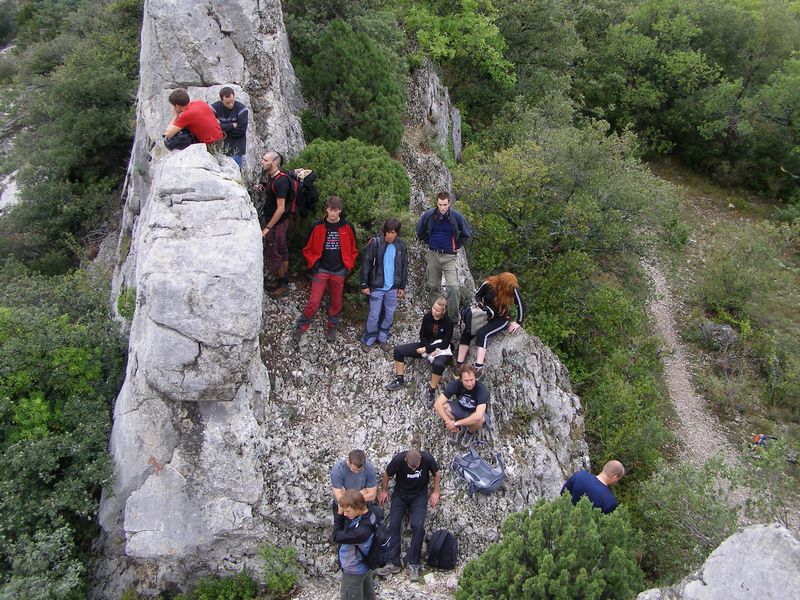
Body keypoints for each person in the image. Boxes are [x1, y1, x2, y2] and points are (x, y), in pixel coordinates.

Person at [293, 196, 358, 343]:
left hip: (339, 271)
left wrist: (348, 265)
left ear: (340, 211)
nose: (333, 213)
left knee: (336, 301)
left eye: (336, 210)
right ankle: (301, 327)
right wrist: (315, 265)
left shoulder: (347, 227)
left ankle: (332, 327)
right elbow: (307, 248)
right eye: (330, 210)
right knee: (313, 301)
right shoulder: (317, 226)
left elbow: (353, 249)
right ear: (326, 209)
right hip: (321, 270)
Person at [375, 449, 440, 581]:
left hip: (419, 496)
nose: (414, 469)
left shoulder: (427, 458)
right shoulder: (398, 460)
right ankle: (394, 562)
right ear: (406, 461)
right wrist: (384, 490)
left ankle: (414, 563)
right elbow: (387, 474)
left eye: (416, 467)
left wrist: (435, 491)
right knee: (393, 524)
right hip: (401, 495)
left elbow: (436, 473)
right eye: (411, 467)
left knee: (418, 526)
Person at [385, 296, 454, 407]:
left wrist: (428, 349)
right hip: (426, 345)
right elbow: (422, 335)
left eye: (437, 310)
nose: (434, 311)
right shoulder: (427, 317)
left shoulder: (448, 322)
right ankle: (399, 379)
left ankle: (432, 390)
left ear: (443, 311)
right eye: (433, 308)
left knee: (438, 364)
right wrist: (427, 348)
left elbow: (445, 343)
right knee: (398, 351)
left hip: (440, 349)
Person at [456, 272, 525, 378]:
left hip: (500, 319)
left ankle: (478, 367)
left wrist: (518, 322)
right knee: (468, 331)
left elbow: (521, 305)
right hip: (485, 315)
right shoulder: (488, 284)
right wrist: (480, 304)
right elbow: (478, 295)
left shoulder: (513, 288)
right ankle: (459, 364)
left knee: (482, 334)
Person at [415, 191, 472, 319]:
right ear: (437, 203)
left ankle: (452, 319)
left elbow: (466, 233)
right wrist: (429, 242)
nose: (442, 208)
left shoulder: (456, 216)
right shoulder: (429, 215)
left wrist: (455, 245)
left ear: (449, 203)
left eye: (445, 204)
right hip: (433, 254)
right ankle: (435, 317)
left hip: (449, 257)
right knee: (433, 286)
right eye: (440, 204)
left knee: (453, 288)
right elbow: (420, 231)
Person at [360, 218, 408, 352]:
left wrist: (402, 286)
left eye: (393, 233)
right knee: (374, 314)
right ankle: (369, 338)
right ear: (384, 231)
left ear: (397, 233)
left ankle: (383, 337)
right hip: (377, 286)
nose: (390, 235)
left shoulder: (401, 246)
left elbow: (404, 267)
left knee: (389, 314)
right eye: (388, 232)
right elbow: (366, 264)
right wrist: (364, 284)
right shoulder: (375, 243)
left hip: (393, 287)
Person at [256, 151, 292, 298]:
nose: (262, 162)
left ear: (275, 162)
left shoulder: (281, 181)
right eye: (262, 159)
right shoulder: (273, 178)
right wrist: (264, 188)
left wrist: (268, 227)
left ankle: (283, 285)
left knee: (277, 252)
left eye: (265, 160)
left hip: (278, 223)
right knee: (280, 251)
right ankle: (280, 280)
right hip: (278, 222)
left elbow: (281, 208)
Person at [333, 490, 378, 600]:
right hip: (365, 564)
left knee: (349, 596)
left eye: (347, 511)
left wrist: (339, 515)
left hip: (354, 569)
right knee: (368, 594)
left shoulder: (361, 532)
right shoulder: (371, 514)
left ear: (358, 507)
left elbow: (335, 536)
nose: (345, 514)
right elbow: (347, 526)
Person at [433, 364, 489, 448]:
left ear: (475, 378)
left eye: (472, 380)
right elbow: (437, 404)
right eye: (466, 380)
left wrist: (455, 423)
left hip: (474, 413)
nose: (469, 384)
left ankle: (469, 432)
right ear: (461, 379)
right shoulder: (456, 384)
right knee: (444, 407)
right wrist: (448, 421)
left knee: (480, 420)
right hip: (460, 408)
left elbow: (478, 415)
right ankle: (458, 429)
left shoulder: (481, 389)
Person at [331, 450, 378, 531]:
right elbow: (341, 499)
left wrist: (348, 495)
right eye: (353, 470)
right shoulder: (338, 470)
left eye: (360, 470)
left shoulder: (369, 468)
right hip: (344, 509)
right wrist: (363, 492)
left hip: (362, 507)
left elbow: (372, 495)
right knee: (341, 534)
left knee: (364, 533)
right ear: (348, 461)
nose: (356, 472)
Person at [211, 87, 249, 167]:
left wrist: (221, 127)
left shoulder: (242, 109)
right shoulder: (215, 108)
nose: (230, 105)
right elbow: (211, 127)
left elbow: (241, 131)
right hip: (219, 148)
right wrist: (231, 125)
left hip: (236, 148)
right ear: (221, 100)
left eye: (232, 101)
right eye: (227, 103)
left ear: (234, 97)